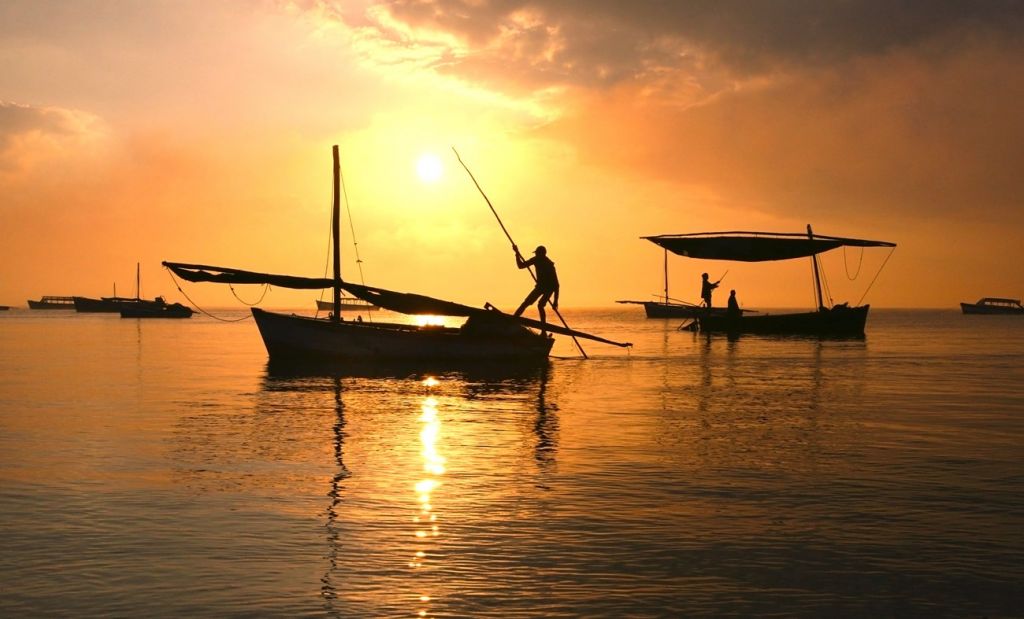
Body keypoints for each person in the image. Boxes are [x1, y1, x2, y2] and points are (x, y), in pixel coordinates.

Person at [513, 244, 559, 328]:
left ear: (541, 254)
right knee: (526, 303)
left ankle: (543, 329)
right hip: (540, 287)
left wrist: (555, 301)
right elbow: (521, 266)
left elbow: (556, 285)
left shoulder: (549, 265)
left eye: (537, 253)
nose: (536, 255)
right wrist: (517, 253)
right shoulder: (536, 259)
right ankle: (513, 319)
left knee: (540, 305)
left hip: (549, 288)